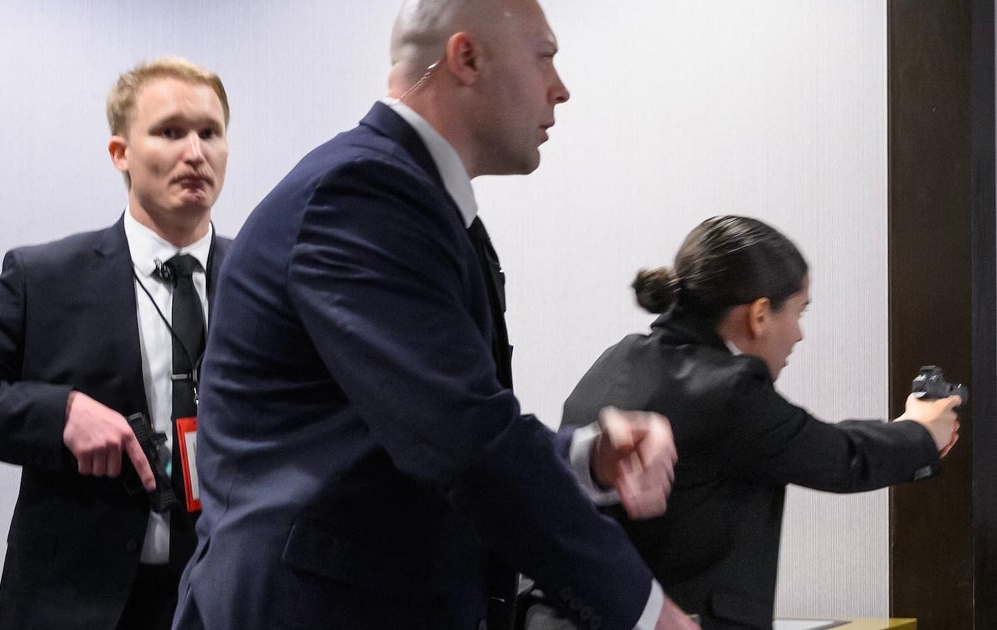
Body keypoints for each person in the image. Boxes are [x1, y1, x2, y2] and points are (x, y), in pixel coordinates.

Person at [172, 2, 698, 629]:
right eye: (545, 57)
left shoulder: (401, 194)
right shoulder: (362, 194)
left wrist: (586, 457)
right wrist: (649, 614)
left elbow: (414, 433)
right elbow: (465, 439)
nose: (561, 89)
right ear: (466, 58)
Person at [0, 57, 233, 630]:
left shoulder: (265, 281)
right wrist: (62, 415)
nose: (195, 152)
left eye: (210, 132)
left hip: (226, 600)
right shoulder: (45, 278)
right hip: (78, 604)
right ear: (120, 153)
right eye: (170, 131)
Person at [556, 215, 960, 629]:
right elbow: (839, 457)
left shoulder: (614, 361)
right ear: (760, 314)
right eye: (799, 312)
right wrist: (920, 431)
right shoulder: (727, 391)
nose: (799, 334)